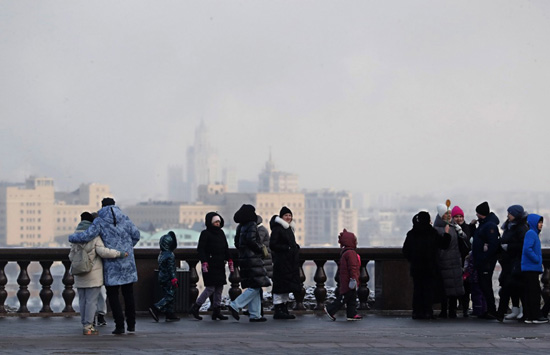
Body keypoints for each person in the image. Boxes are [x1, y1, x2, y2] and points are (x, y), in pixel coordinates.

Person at [69, 197, 141, 335]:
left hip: (111, 263)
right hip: (127, 261)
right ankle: (131, 325)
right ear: (115, 205)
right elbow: (136, 235)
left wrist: (71, 238)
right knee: (128, 294)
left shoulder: (100, 221)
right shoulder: (125, 218)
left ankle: (119, 326)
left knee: (113, 295)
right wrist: (128, 248)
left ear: (102, 207)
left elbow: (86, 236)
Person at [402, 211, 450, 319]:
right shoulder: (432, 232)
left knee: (418, 289)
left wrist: (413, 260)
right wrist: (446, 234)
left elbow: (405, 251)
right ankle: (427, 312)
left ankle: (417, 312)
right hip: (430, 267)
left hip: (416, 267)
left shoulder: (412, 233)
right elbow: (444, 244)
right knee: (428, 290)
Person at [228, 204, 271, 322]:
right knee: (255, 286)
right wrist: (260, 249)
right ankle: (235, 305)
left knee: (255, 286)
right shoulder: (251, 224)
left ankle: (255, 315)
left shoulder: (240, 226)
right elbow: (251, 241)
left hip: (244, 258)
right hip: (253, 259)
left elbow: (237, 243)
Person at [189, 212, 232, 321]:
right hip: (210, 265)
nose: (217, 224)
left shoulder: (221, 233)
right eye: (215, 222)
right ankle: (196, 306)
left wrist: (229, 259)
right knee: (210, 288)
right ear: (210, 223)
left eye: (218, 222)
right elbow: (201, 249)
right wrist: (204, 261)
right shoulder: (205, 233)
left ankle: (216, 311)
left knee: (219, 288)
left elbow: (225, 248)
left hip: (220, 264)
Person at [269, 206, 302, 320]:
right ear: (281, 217)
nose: (288, 217)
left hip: (289, 263)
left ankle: (284, 309)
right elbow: (272, 245)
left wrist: (294, 247)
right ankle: (278, 309)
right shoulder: (278, 229)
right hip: (281, 262)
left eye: (289, 215)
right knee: (280, 286)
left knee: (286, 286)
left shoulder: (288, 228)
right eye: (286, 215)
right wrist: (287, 248)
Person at [433, 204, 465, 319]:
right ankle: (444, 310)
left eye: (449, 214)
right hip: (444, 261)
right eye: (446, 214)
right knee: (445, 288)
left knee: (454, 288)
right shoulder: (437, 229)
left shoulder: (454, 227)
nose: (449, 216)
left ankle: (452, 310)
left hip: (455, 260)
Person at [471, 201, 501, 321]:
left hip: (486, 262)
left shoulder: (489, 226)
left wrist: (484, 257)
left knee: (486, 286)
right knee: (484, 286)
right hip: (482, 261)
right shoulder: (484, 224)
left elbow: (493, 245)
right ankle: (489, 310)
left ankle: (491, 310)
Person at [497, 205, 528, 321]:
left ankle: (502, 313)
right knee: (511, 288)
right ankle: (514, 311)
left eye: (510, 213)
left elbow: (523, 246)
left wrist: (508, 247)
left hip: (515, 263)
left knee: (511, 288)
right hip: (508, 263)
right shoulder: (510, 226)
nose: (508, 215)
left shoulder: (521, 228)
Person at [324, 229, 362, 321]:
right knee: (344, 297)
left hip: (346, 279)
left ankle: (351, 314)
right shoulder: (351, 253)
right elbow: (352, 267)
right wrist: (353, 279)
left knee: (352, 298)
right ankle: (330, 309)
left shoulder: (346, 251)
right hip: (349, 280)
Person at [521, 214, 548, 324]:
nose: (541, 225)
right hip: (531, 267)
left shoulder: (531, 233)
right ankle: (535, 316)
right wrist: (537, 259)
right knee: (534, 293)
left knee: (530, 292)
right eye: (539, 222)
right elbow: (527, 249)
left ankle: (530, 316)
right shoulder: (532, 233)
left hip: (529, 267)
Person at [149, 231, 180, 322]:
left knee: (167, 294)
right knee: (170, 296)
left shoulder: (161, 254)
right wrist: (174, 278)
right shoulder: (170, 255)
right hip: (168, 279)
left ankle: (169, 314)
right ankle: (156, 308)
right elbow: (171, 269)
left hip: (161, 277)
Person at [451, 206, 473, 317]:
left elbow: (468, 243)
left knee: (466, 285)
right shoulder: (450, 228)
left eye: (460, 216)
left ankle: (465, 307)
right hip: (455, 259)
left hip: (465, 260)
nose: (459, 219)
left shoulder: (467, 228)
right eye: (456, 217)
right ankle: (456, 307)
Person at [463, 251, 487, 317]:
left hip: (474, 278)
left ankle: (477, 310)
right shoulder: (484, 253)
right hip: (482, 277)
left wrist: (466, 275)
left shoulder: (471, 255)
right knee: (483, 294)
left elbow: (469, 268)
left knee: (476, 295)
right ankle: (484, 309)